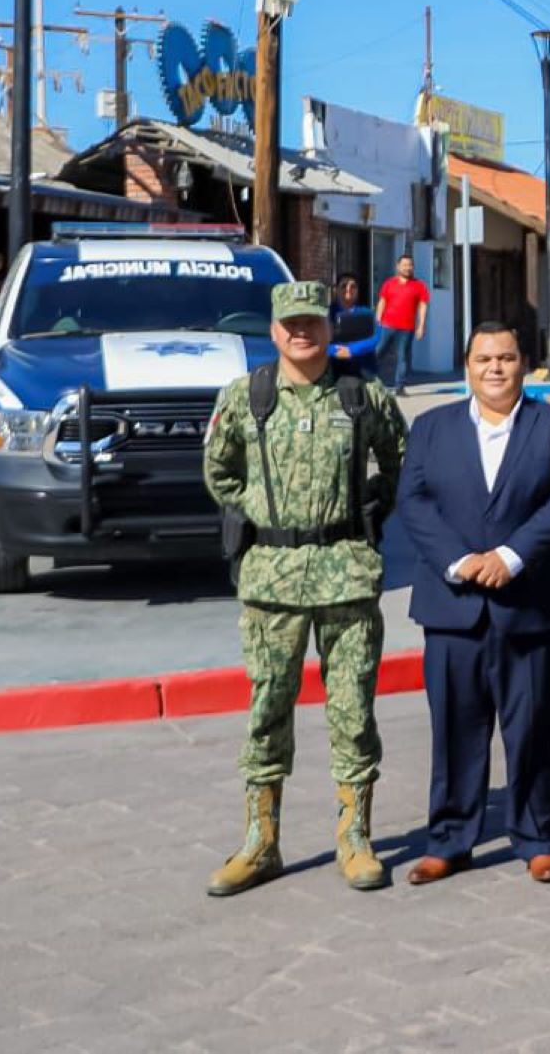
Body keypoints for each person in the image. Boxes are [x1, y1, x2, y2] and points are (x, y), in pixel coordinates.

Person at [201, 281, 408, 897]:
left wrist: (368, 514)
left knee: (352, 711)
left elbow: (398, 459)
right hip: (273, 580)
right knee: (267, 710)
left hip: (346, 573)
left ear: (329, 327)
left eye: (313, 322)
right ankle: (260, 842)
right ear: (273, 331)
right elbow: (218, 470)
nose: (302, 332)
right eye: (290, 323)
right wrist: (262, 516)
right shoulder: (246, 397)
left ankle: (355, 838)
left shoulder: (363, 395)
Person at [397, 323, 550, 887]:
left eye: (506, 357)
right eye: (484, 358)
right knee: (455, 729)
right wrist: (459, 562)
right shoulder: (431, 429)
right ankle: (451, 840)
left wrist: (510, 556)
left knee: (532, 726)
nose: (495, 368)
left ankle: (538, 837)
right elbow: (413, 501)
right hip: (453, 602)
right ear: (467, 366)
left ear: (524, 364)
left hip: (533, 602)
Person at [375, 253, 430, 394]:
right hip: (387, 325)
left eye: (410, 265)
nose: (408, 268)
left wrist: (421, 325)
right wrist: (378, 320)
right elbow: (382, 301)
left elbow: (423, 306)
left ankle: (399, 387)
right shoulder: (389, 283)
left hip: (407, 328)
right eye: (405, 265)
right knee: (377, 352)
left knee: (403, 357)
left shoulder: (419, 286)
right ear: (398, 266)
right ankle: (368, 379)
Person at [330, 272, 380, 378]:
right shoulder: (327, 313)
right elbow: (319, 342)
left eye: (353, 286)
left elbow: (376, 337)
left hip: (363, 368)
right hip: (334, 368)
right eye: (343, 286)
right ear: (336, 290)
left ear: (357, 291)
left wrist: (352, 350)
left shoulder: (366, 313)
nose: (348, 289)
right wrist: (334, 350)